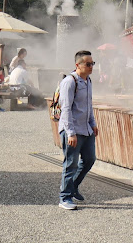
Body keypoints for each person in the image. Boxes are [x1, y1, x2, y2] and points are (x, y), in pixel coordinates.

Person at [58, 50, 98, 210]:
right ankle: (64, 197)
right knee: (71, 164)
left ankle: (73, 186)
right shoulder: (70, 82)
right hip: (73, 131)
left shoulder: (88, 81)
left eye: (92, 64)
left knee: (89, 159)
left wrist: (93, 123)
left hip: (86, 129)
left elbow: (88, 105)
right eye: (88, 64)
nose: (91, 67)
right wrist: (70, 133)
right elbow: (66, 108)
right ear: (77, 65)